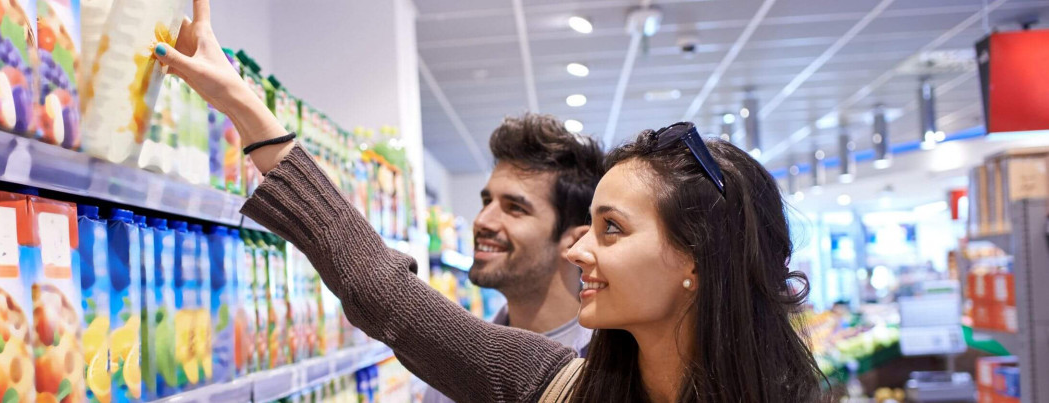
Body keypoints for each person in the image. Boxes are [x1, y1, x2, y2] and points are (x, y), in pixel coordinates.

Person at [154, 1, 824, 401]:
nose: (580, 248)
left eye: (612, 229)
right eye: (588, 224)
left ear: (696, 263)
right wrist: (243, 108)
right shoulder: (555, 383)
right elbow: (387, 297)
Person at [422, 114, 604, 403]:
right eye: (486, 202)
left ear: (576, 240)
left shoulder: (616, 364)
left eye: (515, 207)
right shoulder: (458, 365)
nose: (482, 220)